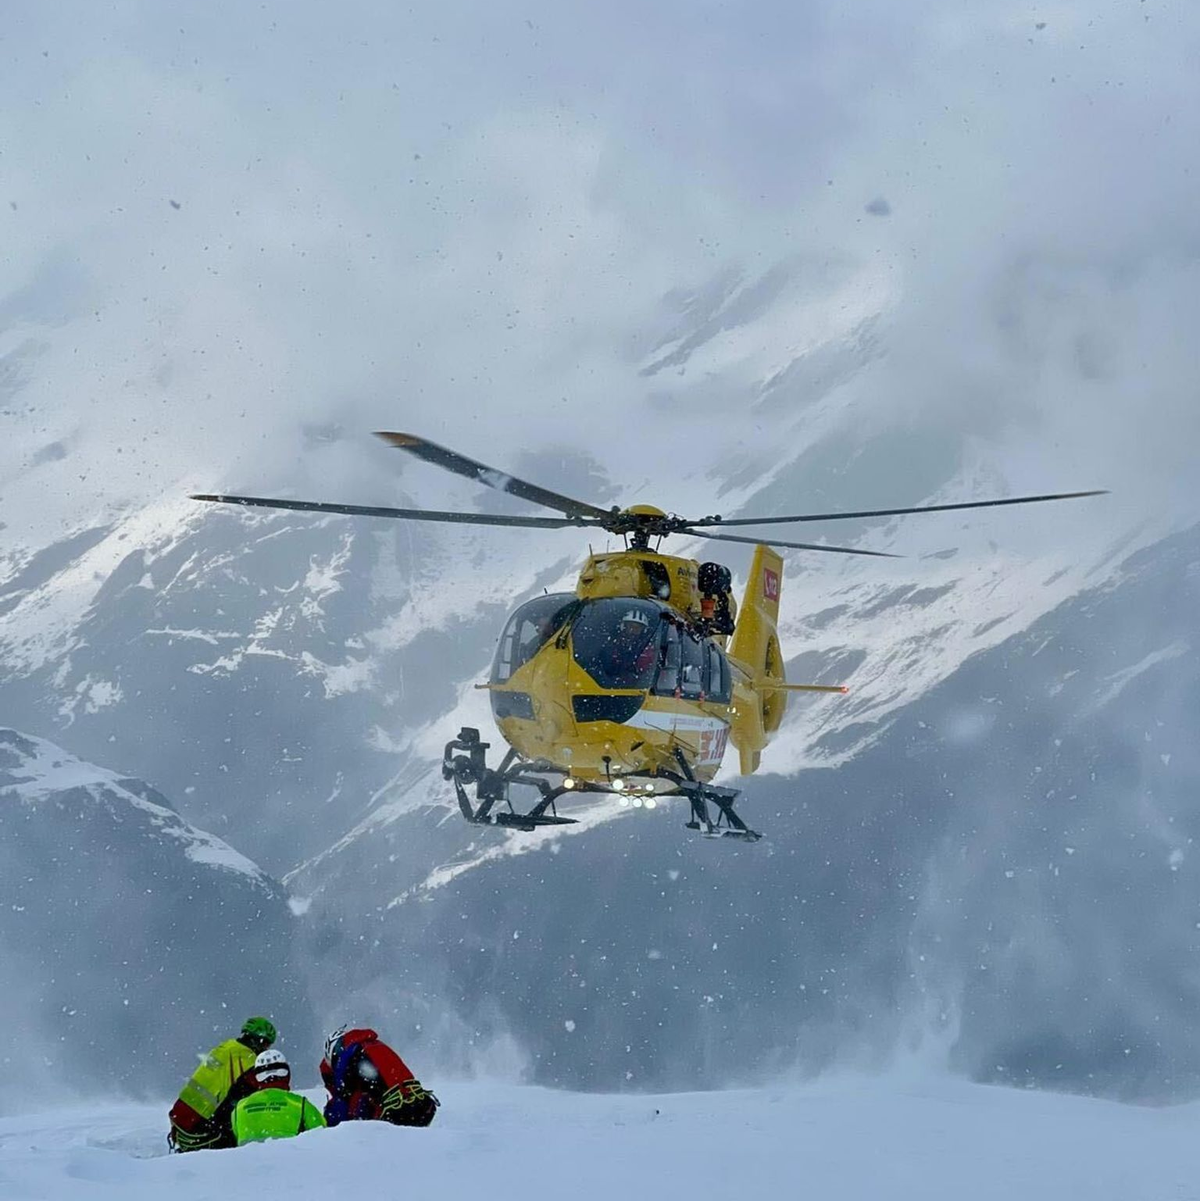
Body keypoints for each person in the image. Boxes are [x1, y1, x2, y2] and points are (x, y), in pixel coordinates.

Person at [168, 1016, 277, 1152]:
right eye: (266, 1045)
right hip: (201, 1128)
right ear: (259, 1041)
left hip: (180, 1122)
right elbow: (256, 1095)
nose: (266, 1050)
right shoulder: (248, 1060)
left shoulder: (225, 1047)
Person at [319, 1026, 439, 1128]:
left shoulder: (346, 1056)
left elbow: (343, 1100)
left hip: (395, 1113)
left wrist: (328, 1125)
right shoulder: (374, 1045)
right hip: (421, 1106)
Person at [231, 1050, 326, 1146]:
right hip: (290, 1159)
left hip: (248, 1160)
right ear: (287, 1074)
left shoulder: (239, 1108)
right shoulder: (301, 1104)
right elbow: (322, 1136)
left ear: (256, 1078)